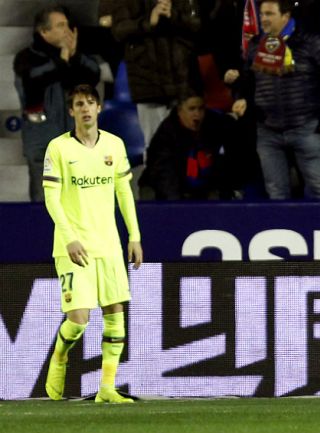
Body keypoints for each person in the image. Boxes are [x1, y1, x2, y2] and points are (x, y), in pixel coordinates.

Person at [42, 84, 143, 403]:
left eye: (90, 103)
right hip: (74, 246)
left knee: (115, 312)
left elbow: (124, 192)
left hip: (109, 244)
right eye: (78, 104)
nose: (85, 108)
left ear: (99, 108)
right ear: (71, 111)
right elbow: (51, 198)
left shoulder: (114, 145)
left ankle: (107, 388)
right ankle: (59, 357)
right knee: (79, 320)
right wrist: (69, 237)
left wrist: (134, 235)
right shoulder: (58, 149)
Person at [226, 0, 320, 199]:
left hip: (305, 129)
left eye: (269, 14)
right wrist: (241, 96)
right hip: (268, 132)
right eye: (262, 14)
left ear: (285, 15)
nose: (263, 19)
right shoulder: (257, 44)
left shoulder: (310, 42)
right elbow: (248, 80)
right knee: (276, 196)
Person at [13, 4, 101, 202]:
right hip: (43, 142)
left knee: (78, 202)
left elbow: (94, 75)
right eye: (61, 25)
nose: (67, 30)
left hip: (76, 140)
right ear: (44, 31)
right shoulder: (26, 58)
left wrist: (75, 55)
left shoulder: (75, 56)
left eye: (68, 25)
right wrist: (62, 61)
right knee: (45, 202)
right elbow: (34, 81)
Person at [111, 0, 202, 153]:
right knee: (154, 145)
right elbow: (119, 30)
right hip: (147, 81)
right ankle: (156, 177)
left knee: (185, 145)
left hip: (181, 81)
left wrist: (174, 15)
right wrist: (148, 22)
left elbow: (197, 25)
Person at [139, 89, 238, 200]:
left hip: (203, 186)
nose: (197, 114)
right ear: (179, 111)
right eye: (191, 109)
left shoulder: (215, 124)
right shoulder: (166, 134)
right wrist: (177, 206)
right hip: (163, 186)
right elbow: (164, 174)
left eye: (201, 109)